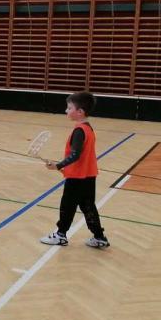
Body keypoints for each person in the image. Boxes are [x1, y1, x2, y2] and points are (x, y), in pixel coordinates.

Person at [40, 91, 110, 249]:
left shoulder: (79, 131)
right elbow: (81, 156)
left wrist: (58, 165)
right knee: (88, 206)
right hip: (89, 175)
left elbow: (75, 155)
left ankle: (60, 235)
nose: (66, 110)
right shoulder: (88, 128)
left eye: (69, 108)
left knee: (67, 205)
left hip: (77, 178)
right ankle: (99, 237)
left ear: (80, 112)